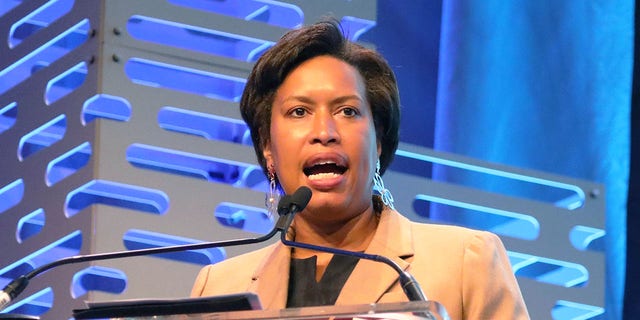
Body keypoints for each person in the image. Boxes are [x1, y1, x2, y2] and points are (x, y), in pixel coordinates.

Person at [191, 20, 530, 319]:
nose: (324, 132)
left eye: (348, 111)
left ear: (378, 140)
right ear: (267, 146)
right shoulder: (219, 290)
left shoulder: (464, 262)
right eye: (298, 112)